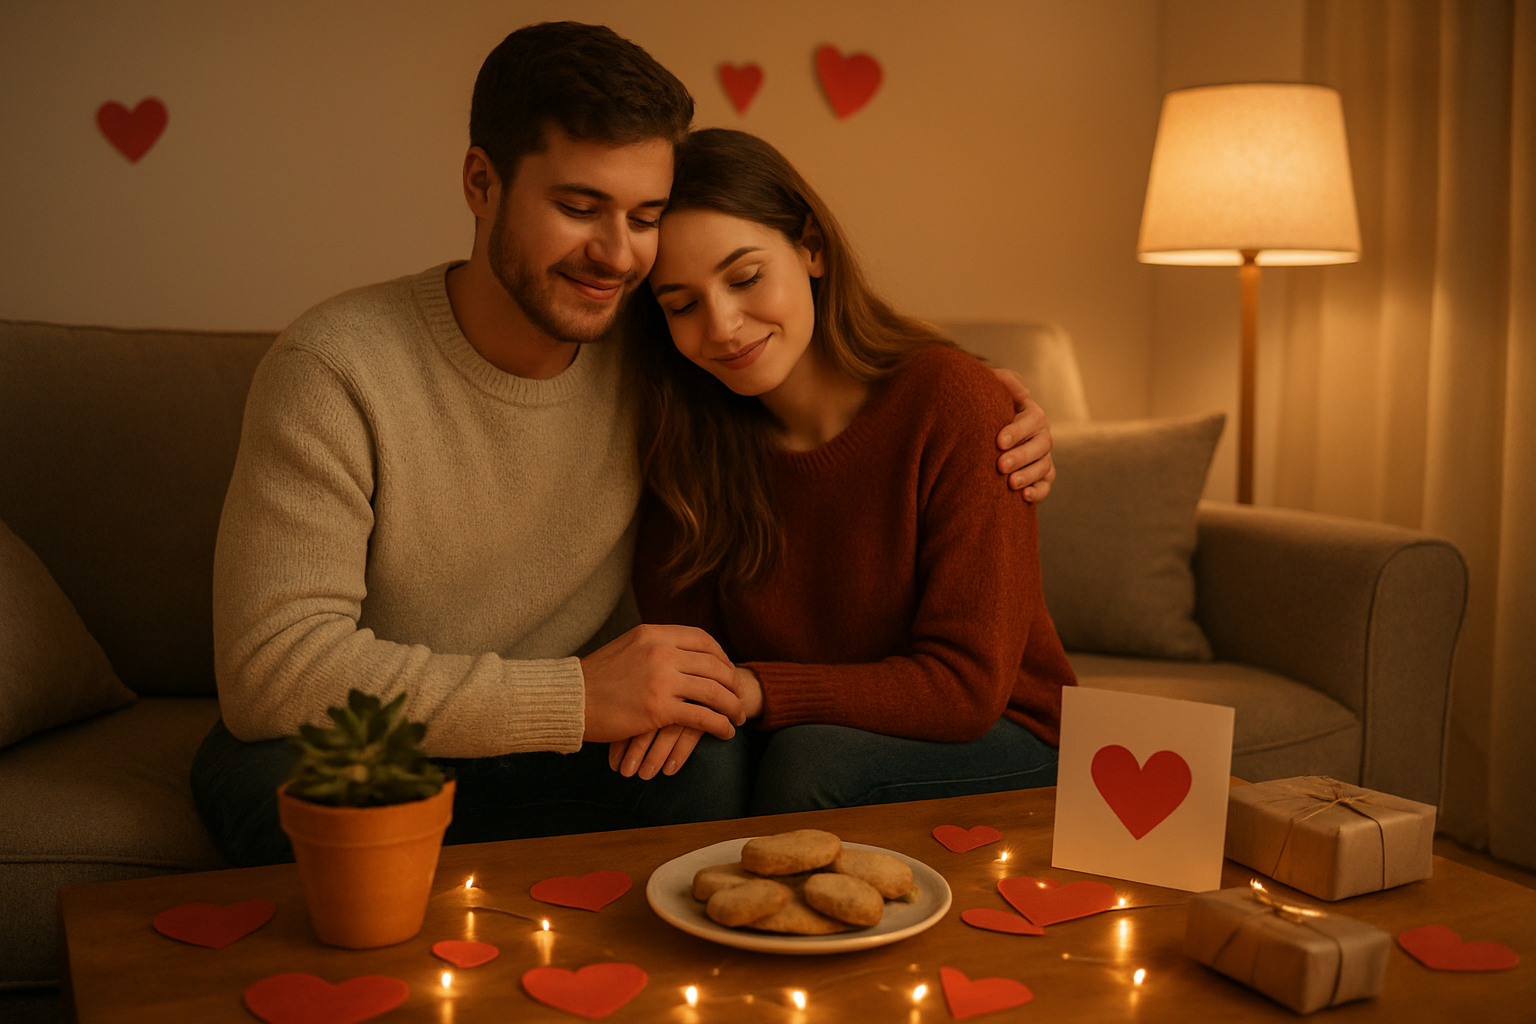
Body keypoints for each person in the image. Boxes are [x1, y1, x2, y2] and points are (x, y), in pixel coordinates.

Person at [191, 22, 1058, 867]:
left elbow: (820, 361)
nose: (615, 255)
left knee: (713, 769)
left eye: (643, 216)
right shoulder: (334, 367)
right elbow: (272, 669)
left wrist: (986, 392)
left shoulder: (659, 359)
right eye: (578, 207)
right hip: (402, 736)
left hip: (575, 749)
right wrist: (572, 698)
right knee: (279, 787)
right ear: (481, 183)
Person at [619, 129, 1076, 814]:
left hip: (1007, 731)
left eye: (744, 277)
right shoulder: (689, 441)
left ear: (811, 247)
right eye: (682, 304)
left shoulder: (952, 402)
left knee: (814, 760)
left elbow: (966, 688)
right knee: (688, 763)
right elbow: (695, 660)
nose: (722, 325)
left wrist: (759, 690)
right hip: (804, 725)